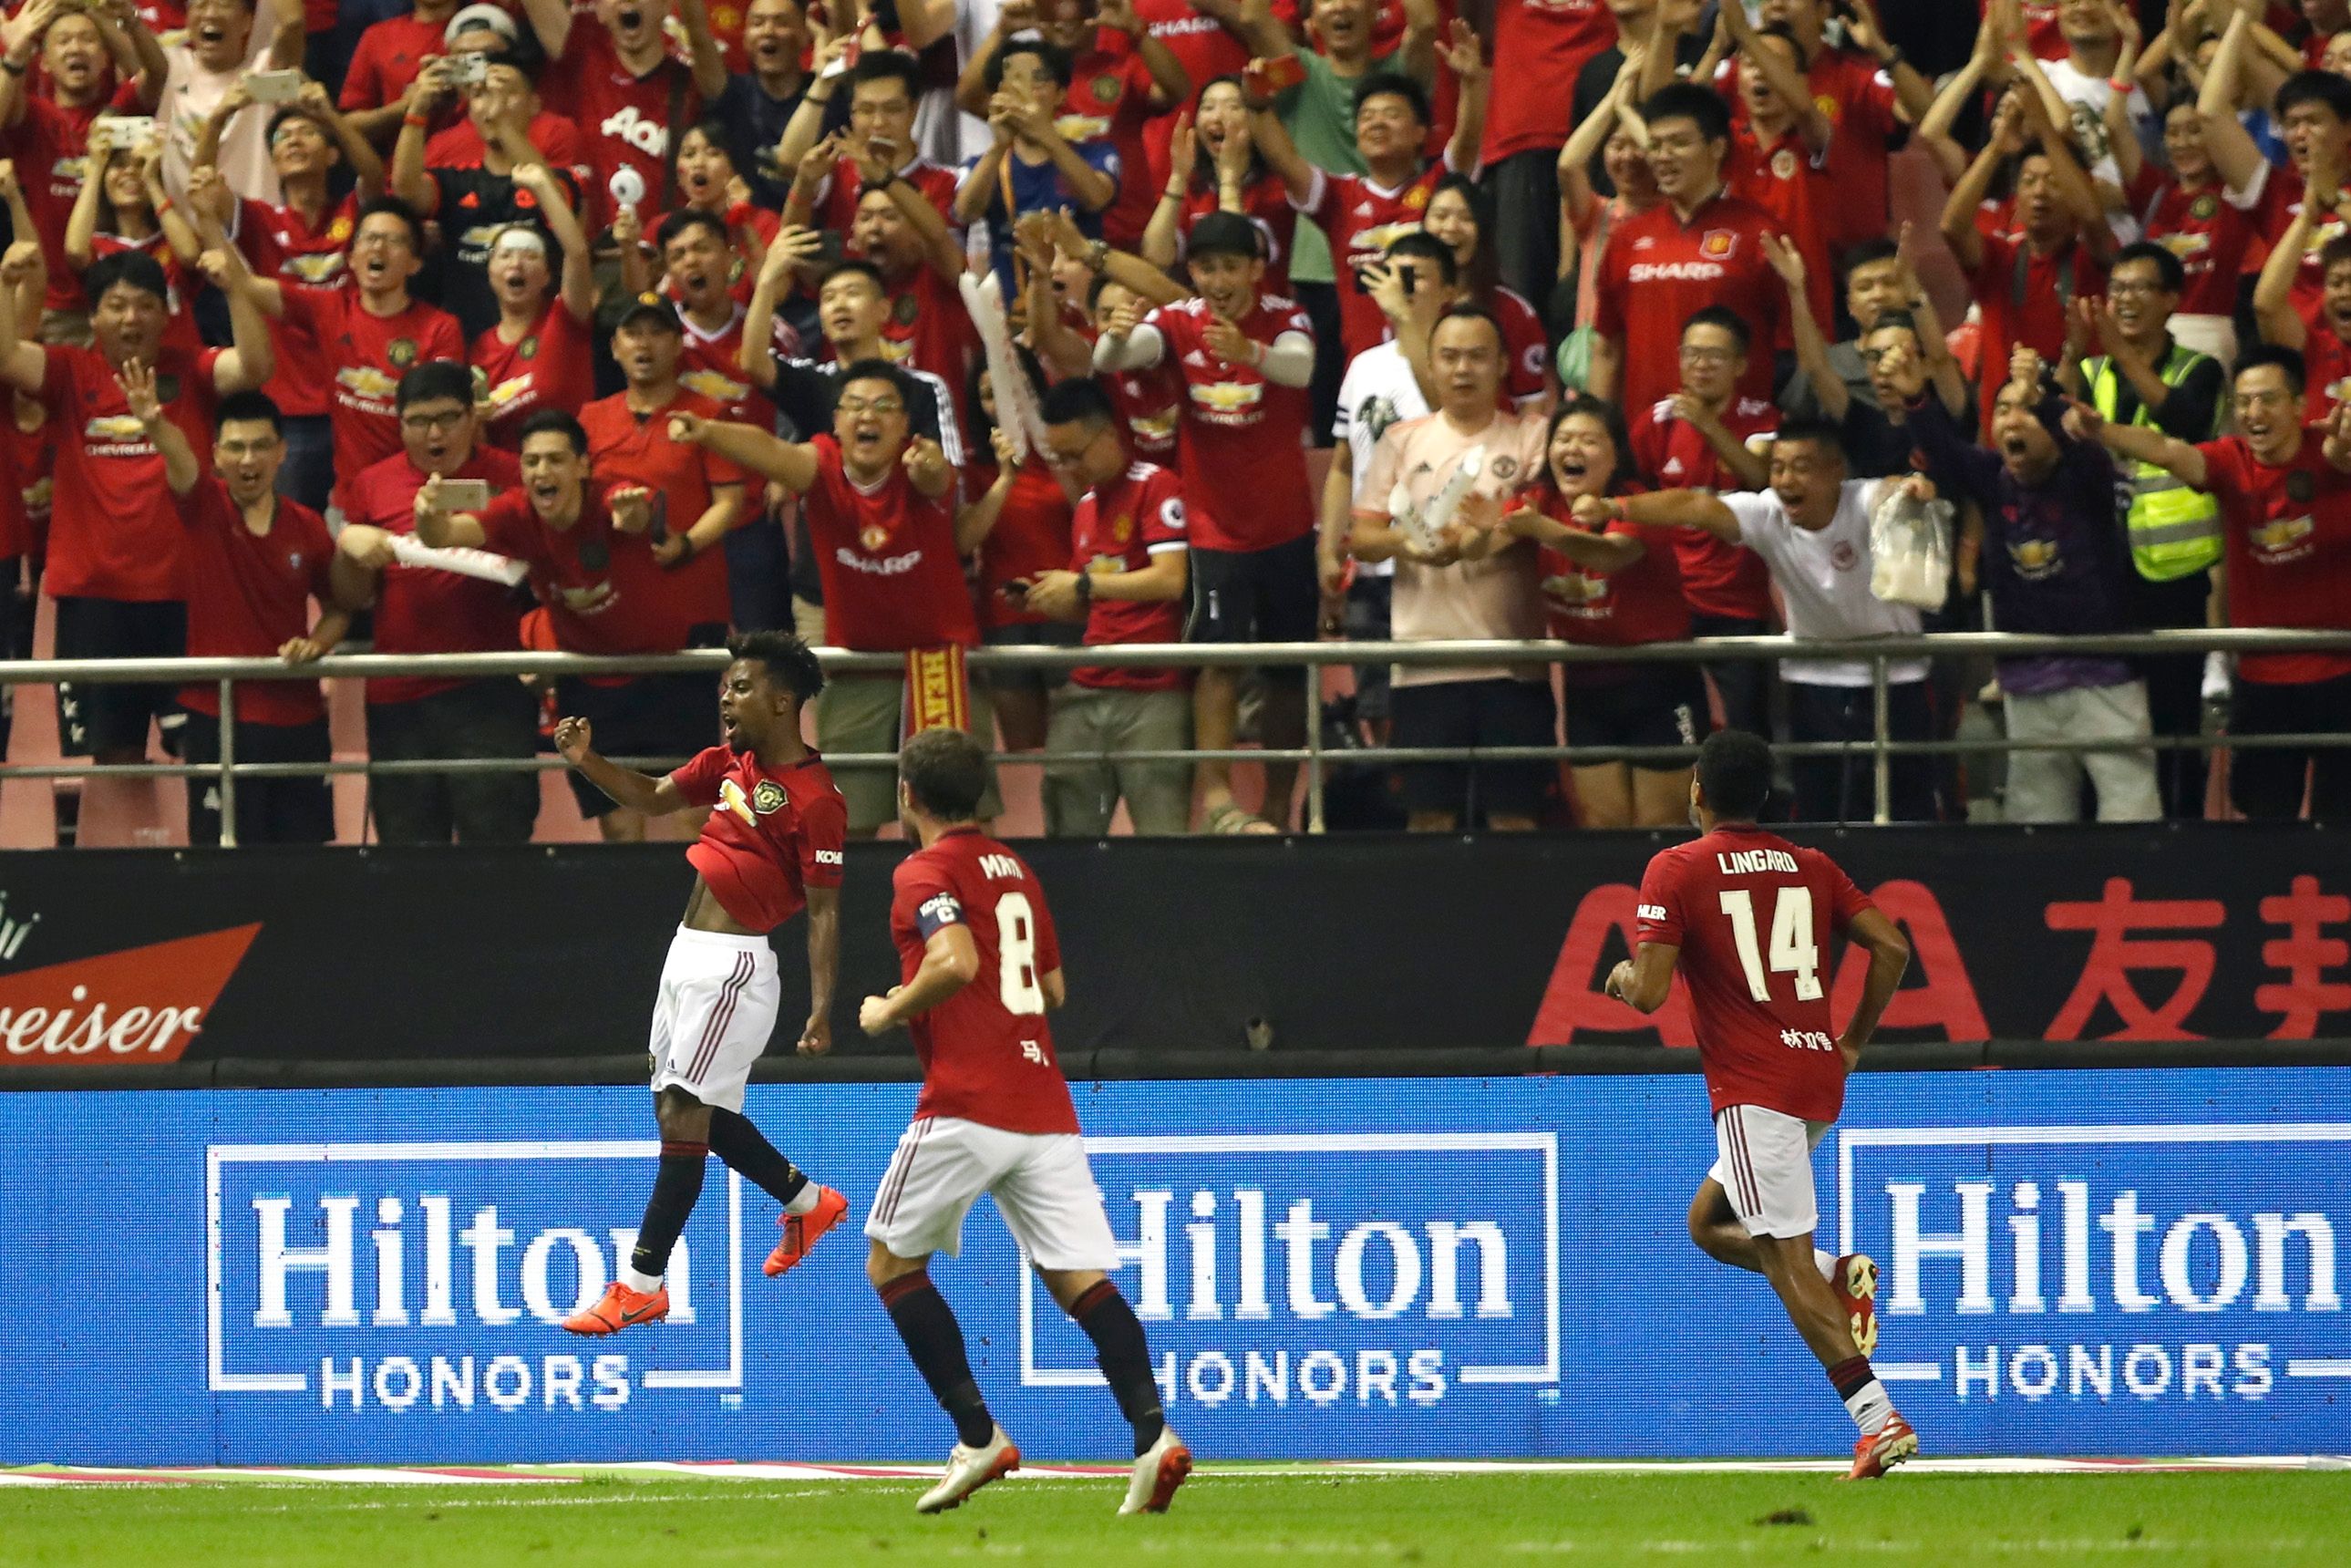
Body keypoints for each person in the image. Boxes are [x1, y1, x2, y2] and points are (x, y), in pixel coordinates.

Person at [857, 725, 1190, 1518]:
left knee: (890, 1265)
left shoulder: (922, 870)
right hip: (1043, 1103)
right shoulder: (1016, 869)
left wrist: (888, 1010)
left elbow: (959, 961)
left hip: (967, 1101)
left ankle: (979, 1437)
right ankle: (1152, 1438)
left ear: (907, 797)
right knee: (1078, 1279)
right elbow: (1055, 988)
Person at [1605, 727, 1916, 1483]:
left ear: (1697, 792)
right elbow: (1893, 948)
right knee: (1708, 1224)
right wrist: (1850, 1042)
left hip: (1755, 1089)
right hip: (1814, 1079)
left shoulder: (1675, 867)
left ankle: (1878, 1422)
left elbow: (1647, 994)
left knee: (1781, 1265)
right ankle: (1835, 1273)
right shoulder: (1809, 866)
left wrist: (1618, 977)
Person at [551, 631, 853, 1335]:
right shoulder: (727, 763)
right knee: (681, 1112)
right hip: (685, 955)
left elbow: (827, 912)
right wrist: (585, 760)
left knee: (686, 1116)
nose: (726, 695)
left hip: (734, 966)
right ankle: (810, 1204)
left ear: (783, 702)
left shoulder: (816, 800)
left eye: (741, 687)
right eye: (725, 685)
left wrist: (820, 1011)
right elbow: (654, 797)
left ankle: (641, 1282)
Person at [665, 364, 998, 837]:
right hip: (855, 665)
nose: (870, 417)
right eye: (856, 406)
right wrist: (707, 431)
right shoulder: (821, 466)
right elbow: (770, 450)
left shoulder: (920, 464)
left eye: (885, 407)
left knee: (954, 824)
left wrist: (932, 470)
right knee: (846, 824)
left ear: (906, 425)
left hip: (936, 664)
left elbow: (937, 480)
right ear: (837, 422)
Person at [0, 246, 273, 773]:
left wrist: (239, 287)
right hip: (93, 600)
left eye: (146, 304)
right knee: (112, 758)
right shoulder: (69, 372)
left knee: (199, 753)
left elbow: (256, 366)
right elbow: (8, 358)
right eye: (117, 306)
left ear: (167, 313)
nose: (131, 318)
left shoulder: (193, 368)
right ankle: (117, 857)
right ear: (94, 317)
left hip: (186, 595)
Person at [1094, 211, 1315, 833]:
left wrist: (1251, 352)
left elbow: (1299, 367)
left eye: (1230, 266)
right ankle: (1216, 796)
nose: (1218, 279)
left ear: (1254, 268)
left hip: (1287, 528)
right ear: (1191, 272)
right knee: (1215, 662)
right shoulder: (1177, 320)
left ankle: (1277, 801)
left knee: (1286, 671)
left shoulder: (1284, 316)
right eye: (1205, 267)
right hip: (1214, 528)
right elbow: (1117, 358)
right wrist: (1114, 334)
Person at [2067, 346, 2351, 820]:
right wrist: (2103, 432)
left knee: (2342, 823)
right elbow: (2167, 450)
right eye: (2243, 403)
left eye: (2268, 400)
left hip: (2341, 674)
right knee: (2264, 821)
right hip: (2263, 681)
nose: (2253, 414)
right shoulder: (2230, 460)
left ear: (2300, 406)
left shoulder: (2333, 456)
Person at [1624, 422, 1942, 824]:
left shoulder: (1863, 500)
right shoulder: (1768, 512)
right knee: (1819, 810)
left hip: (1897, 676)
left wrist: (1912, 489)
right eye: (1778, 468)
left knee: (1908, 806)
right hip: (1816, 681)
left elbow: (1892, 491)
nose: (1786, 480)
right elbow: (1694, 507)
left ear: (1835, 470)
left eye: (1802, 467)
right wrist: (1617, 509)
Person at [1913, 350, 2160, 824]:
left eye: (2026, 412)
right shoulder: (1992, 479)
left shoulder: (2085, 475)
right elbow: (1943, 454)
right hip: (2029, 679)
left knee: (2131, 805)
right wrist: (1913, 399)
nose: (2013, 421)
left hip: (2104, 675)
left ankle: (2141, 894)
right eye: (2003, 410)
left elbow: (2082, 448)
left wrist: (2042, 396)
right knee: (2037, 812)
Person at [1347, 305, 1550, 832]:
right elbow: (1363, 540)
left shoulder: (1533, 436)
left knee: (1515, 821)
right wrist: (1412, 546)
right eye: (1450, 357)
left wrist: (1476, 539)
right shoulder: (1401, 440)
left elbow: (1535, 521)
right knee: (1428, 820)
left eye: (1478, 357)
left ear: (1504, 364)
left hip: (1513, 662)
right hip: (1423, 664)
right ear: (1430, 368)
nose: (1463, 370)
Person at [329, 358, 534, 844]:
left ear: (473, 417)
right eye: (418, 421)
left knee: (498, 848)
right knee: (409, 855)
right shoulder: (371, 485)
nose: (433, 433)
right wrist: (349, 548)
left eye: (447, 418)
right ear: (399, 425)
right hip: (399, 698)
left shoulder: (513, 477)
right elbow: (352, 597)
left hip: (492, 693)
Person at [138, 377, 347, 845]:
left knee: (304, 864)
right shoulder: (202, 506)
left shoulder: (309, 527)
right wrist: (155, 423)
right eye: (235, 448)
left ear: (282, 453)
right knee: (223, 865)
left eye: (260, 447)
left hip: (298, 719)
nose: (248, 460)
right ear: (217, 456)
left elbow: (338, 609)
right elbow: (179, 460)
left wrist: (317, 644)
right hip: (218, 716)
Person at [2060, 240, 2226, 820]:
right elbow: (2053, 432)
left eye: (2138, 289)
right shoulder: (2089, 370)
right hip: (2099, 579)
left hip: (2174, 579)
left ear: (2171, 300)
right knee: (2099, 721)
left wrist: (2118, 353)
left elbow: (2184, 420)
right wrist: (2069, 357)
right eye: (2117, 290)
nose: (2124, 301)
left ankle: (2181, 837)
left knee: (2174, 724)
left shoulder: (2199, 371)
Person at [1511, 394, 1707, 830]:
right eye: (1562, 439)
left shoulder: (1636, 503)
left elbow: (1610, 555)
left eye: (1588, 440)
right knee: (1604, 826)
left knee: (1661, 826)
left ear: (1617, 454)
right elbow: (1488, 537)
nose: (1572, 449)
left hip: (1658, 683)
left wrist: (1543, 531)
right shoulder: (1540, 500)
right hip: (1587, 686)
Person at [1021, 376, 1192, 838]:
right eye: (1060, 459)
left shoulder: (1157, 486)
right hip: (1088, 684)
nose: (1070, 468)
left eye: (1076, 454)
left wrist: (1081, 584)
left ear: (1109, 434)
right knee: (1067, 836)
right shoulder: (1086, 508)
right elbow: (1091, 600)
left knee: (1163, 838)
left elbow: (1171, 580)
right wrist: (1049, 598)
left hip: (1152, 688)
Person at [1590, 82, 1786, 418]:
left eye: (1679, 143)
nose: (1663, 157)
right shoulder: (1626, 239)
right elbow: (1608, 349)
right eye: (1655, 145)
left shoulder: (1759, 233)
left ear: (1717, 148)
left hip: (1736, 442)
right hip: (1646, 437)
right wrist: (1597, 424)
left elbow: (1790, 343)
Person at [255, 196, 467, 500]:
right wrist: (212, 232)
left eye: (393, 241)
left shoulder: (441, 328)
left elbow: (446, 421)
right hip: (351, 500)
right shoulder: (330, 308)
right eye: (369, 238)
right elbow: (250, 288)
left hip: (422, 497)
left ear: (415, 263)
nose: (379, 248)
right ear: (351, 258)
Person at [954, 36, 1119, 301]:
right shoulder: (984, 164)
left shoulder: (1095, 153)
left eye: (1038, 80)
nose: (1026, 90)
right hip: (1012, 314)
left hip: (1080, 312)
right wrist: (998, 147)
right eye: (1014, 81)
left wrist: (1047, 137)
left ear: (1060, 94)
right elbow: (965, 211)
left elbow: (1096, 197)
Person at [470, 163, 596, 447]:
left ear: (548, 275)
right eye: (505, 256)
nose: (516, 263)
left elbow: (577, 253)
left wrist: (541, 186)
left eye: (529, 255)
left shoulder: (564, 319)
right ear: (490, 273)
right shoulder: (479, 350)